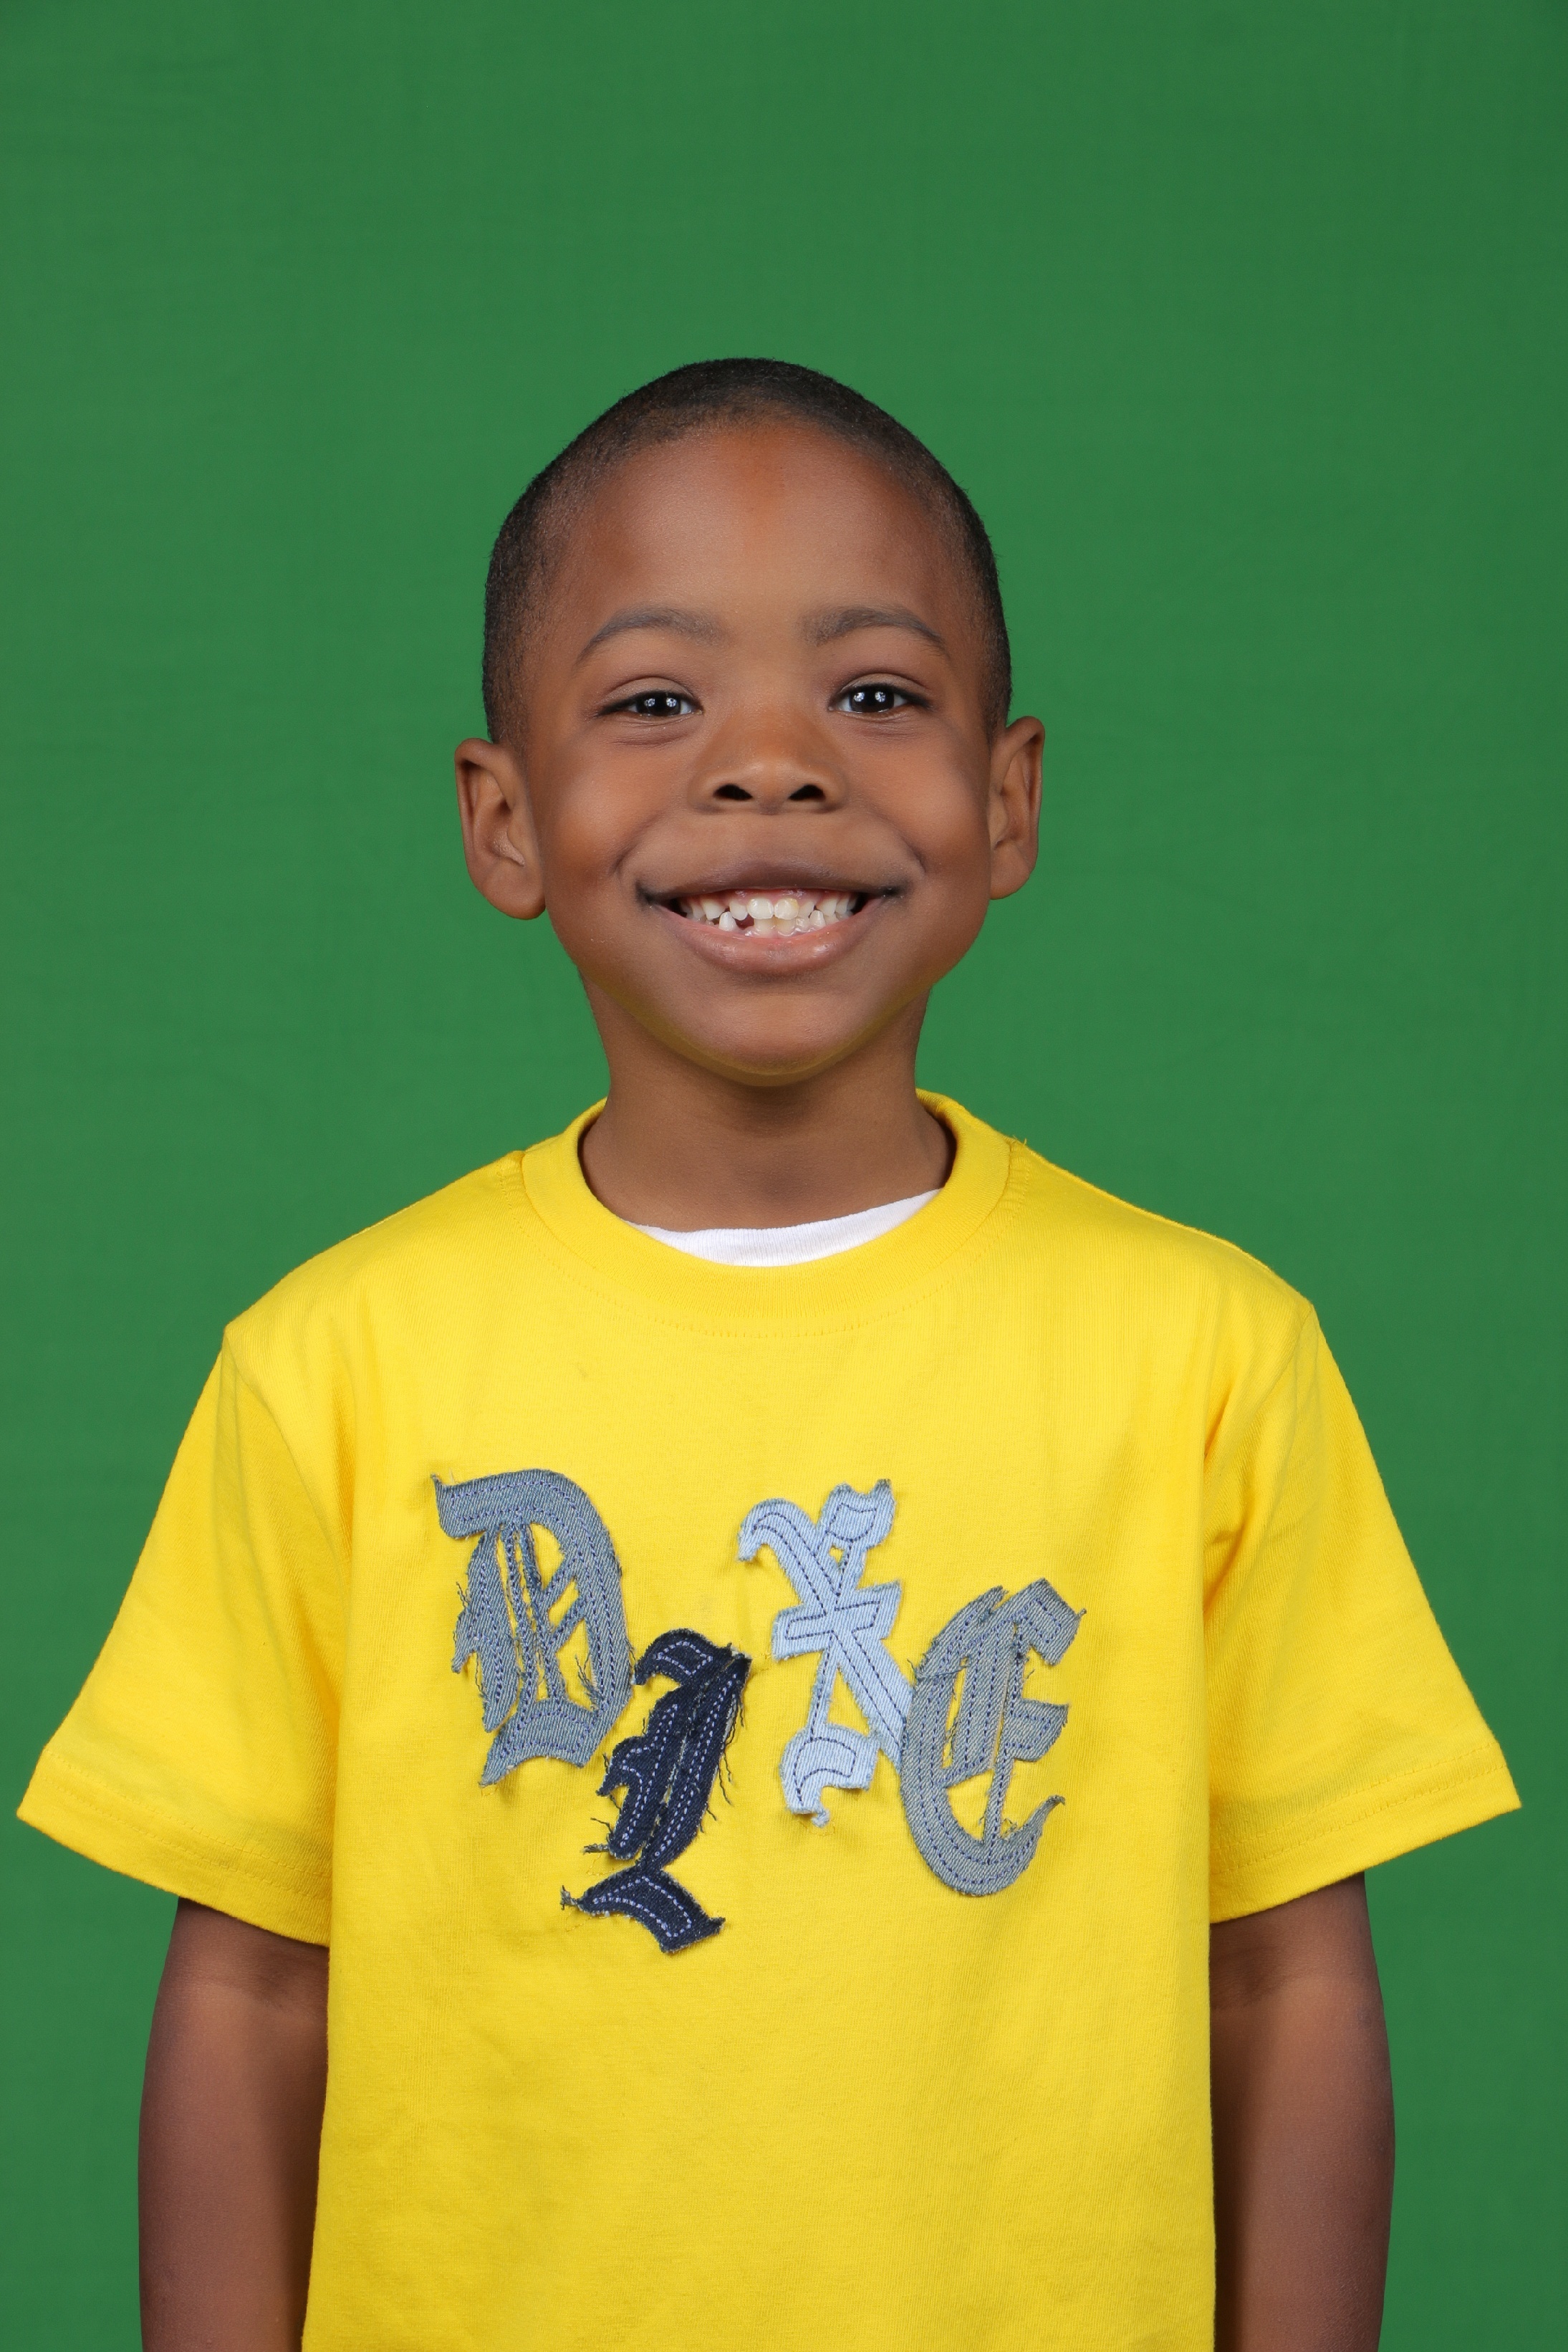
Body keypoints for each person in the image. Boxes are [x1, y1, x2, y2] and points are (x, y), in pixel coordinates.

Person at [20, 359, 1517, 2352]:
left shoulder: (1210, 1358)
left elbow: (1287, 1983)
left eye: (875, 694)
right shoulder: (332, 1368)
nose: (773, 765)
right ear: (503, 818)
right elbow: (251, 1995)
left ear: (1008, 800)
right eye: (656, 702)